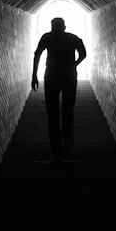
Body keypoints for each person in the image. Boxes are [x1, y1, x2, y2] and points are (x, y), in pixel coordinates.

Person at [32, 17, 87, 162]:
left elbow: (37, 55)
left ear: (52, 26)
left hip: (51, 76)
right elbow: (83, 54)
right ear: (64, 26)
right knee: (67, 113)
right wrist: (74, 64)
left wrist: (34, 76)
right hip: (69, 76)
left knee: (53, 114)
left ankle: (57, 152)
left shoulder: (47, 37)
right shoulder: (72, 38)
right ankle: (68, 148)